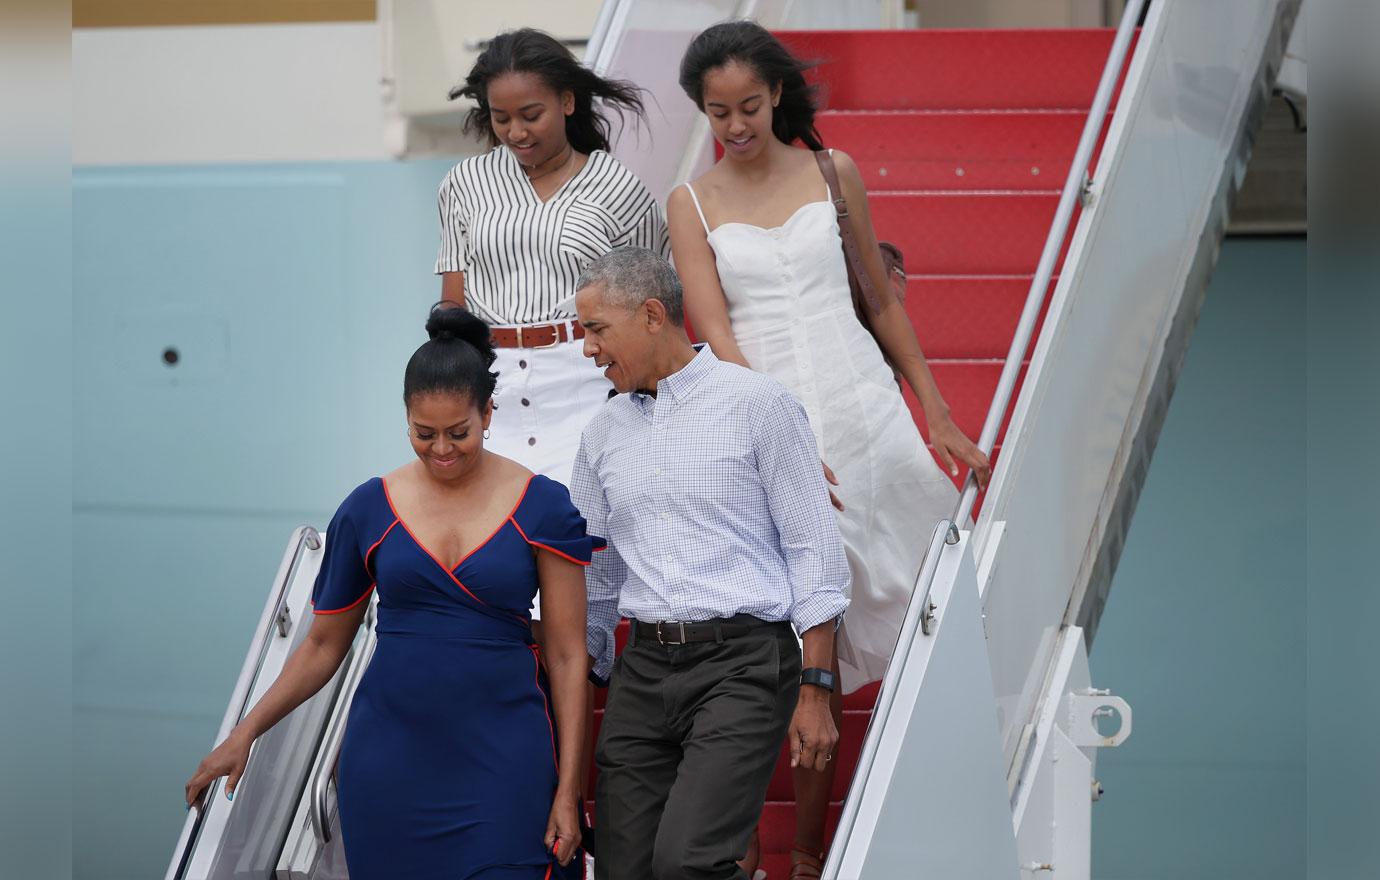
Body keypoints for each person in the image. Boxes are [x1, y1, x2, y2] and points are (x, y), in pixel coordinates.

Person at [667, 20, 992, 878]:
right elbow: (715, 332)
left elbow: (880, 306)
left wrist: (939, 416)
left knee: (907, 611)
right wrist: (773, 443)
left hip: (868, 417)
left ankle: (815, 849)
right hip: (769, 424)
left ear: (776, 93)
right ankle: (748, 853)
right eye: (717, 112)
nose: (735, 126)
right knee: (786, 645)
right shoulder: (691, 203)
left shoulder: (831, 170)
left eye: (748, 106)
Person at [183, 307, 600, 879]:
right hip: (390, 762)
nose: (442, 450)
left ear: (488, 412)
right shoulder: (367, 508)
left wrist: (568, 791)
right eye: (423, 434)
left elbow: (567, 653)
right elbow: (323, 646)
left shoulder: (544, 505)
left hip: (505, 756)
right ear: (405, 419)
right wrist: (244, 735)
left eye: (460, 432)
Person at [569, 246, 850, 880]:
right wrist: (584, 664)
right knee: (621, 868)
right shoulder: (603, 431)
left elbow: (814, 552)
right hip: (643, 668)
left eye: (595, 330)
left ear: (649, 315)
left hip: (744, 663)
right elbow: (595, 569)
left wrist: (817, 687)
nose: (588, 350)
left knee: (687, 865)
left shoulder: (760, 405)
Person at [436, 27, 669, 492]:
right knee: (500, 537)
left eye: (530, 114)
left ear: (567, 102)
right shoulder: (463, 183)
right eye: (501, 118)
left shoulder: (620, 187)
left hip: (589, 377)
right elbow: (452, 310)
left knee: (587, 532)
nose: (515, 132)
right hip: (492, 384)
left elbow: (653, 311)